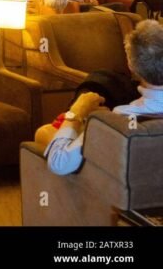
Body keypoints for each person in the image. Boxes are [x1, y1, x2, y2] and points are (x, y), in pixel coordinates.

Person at [44, 20, 163, 175]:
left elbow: (59, 163)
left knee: (44, 133)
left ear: (131, 66)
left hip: (116, 187)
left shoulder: (120, 119)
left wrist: (74, 114)